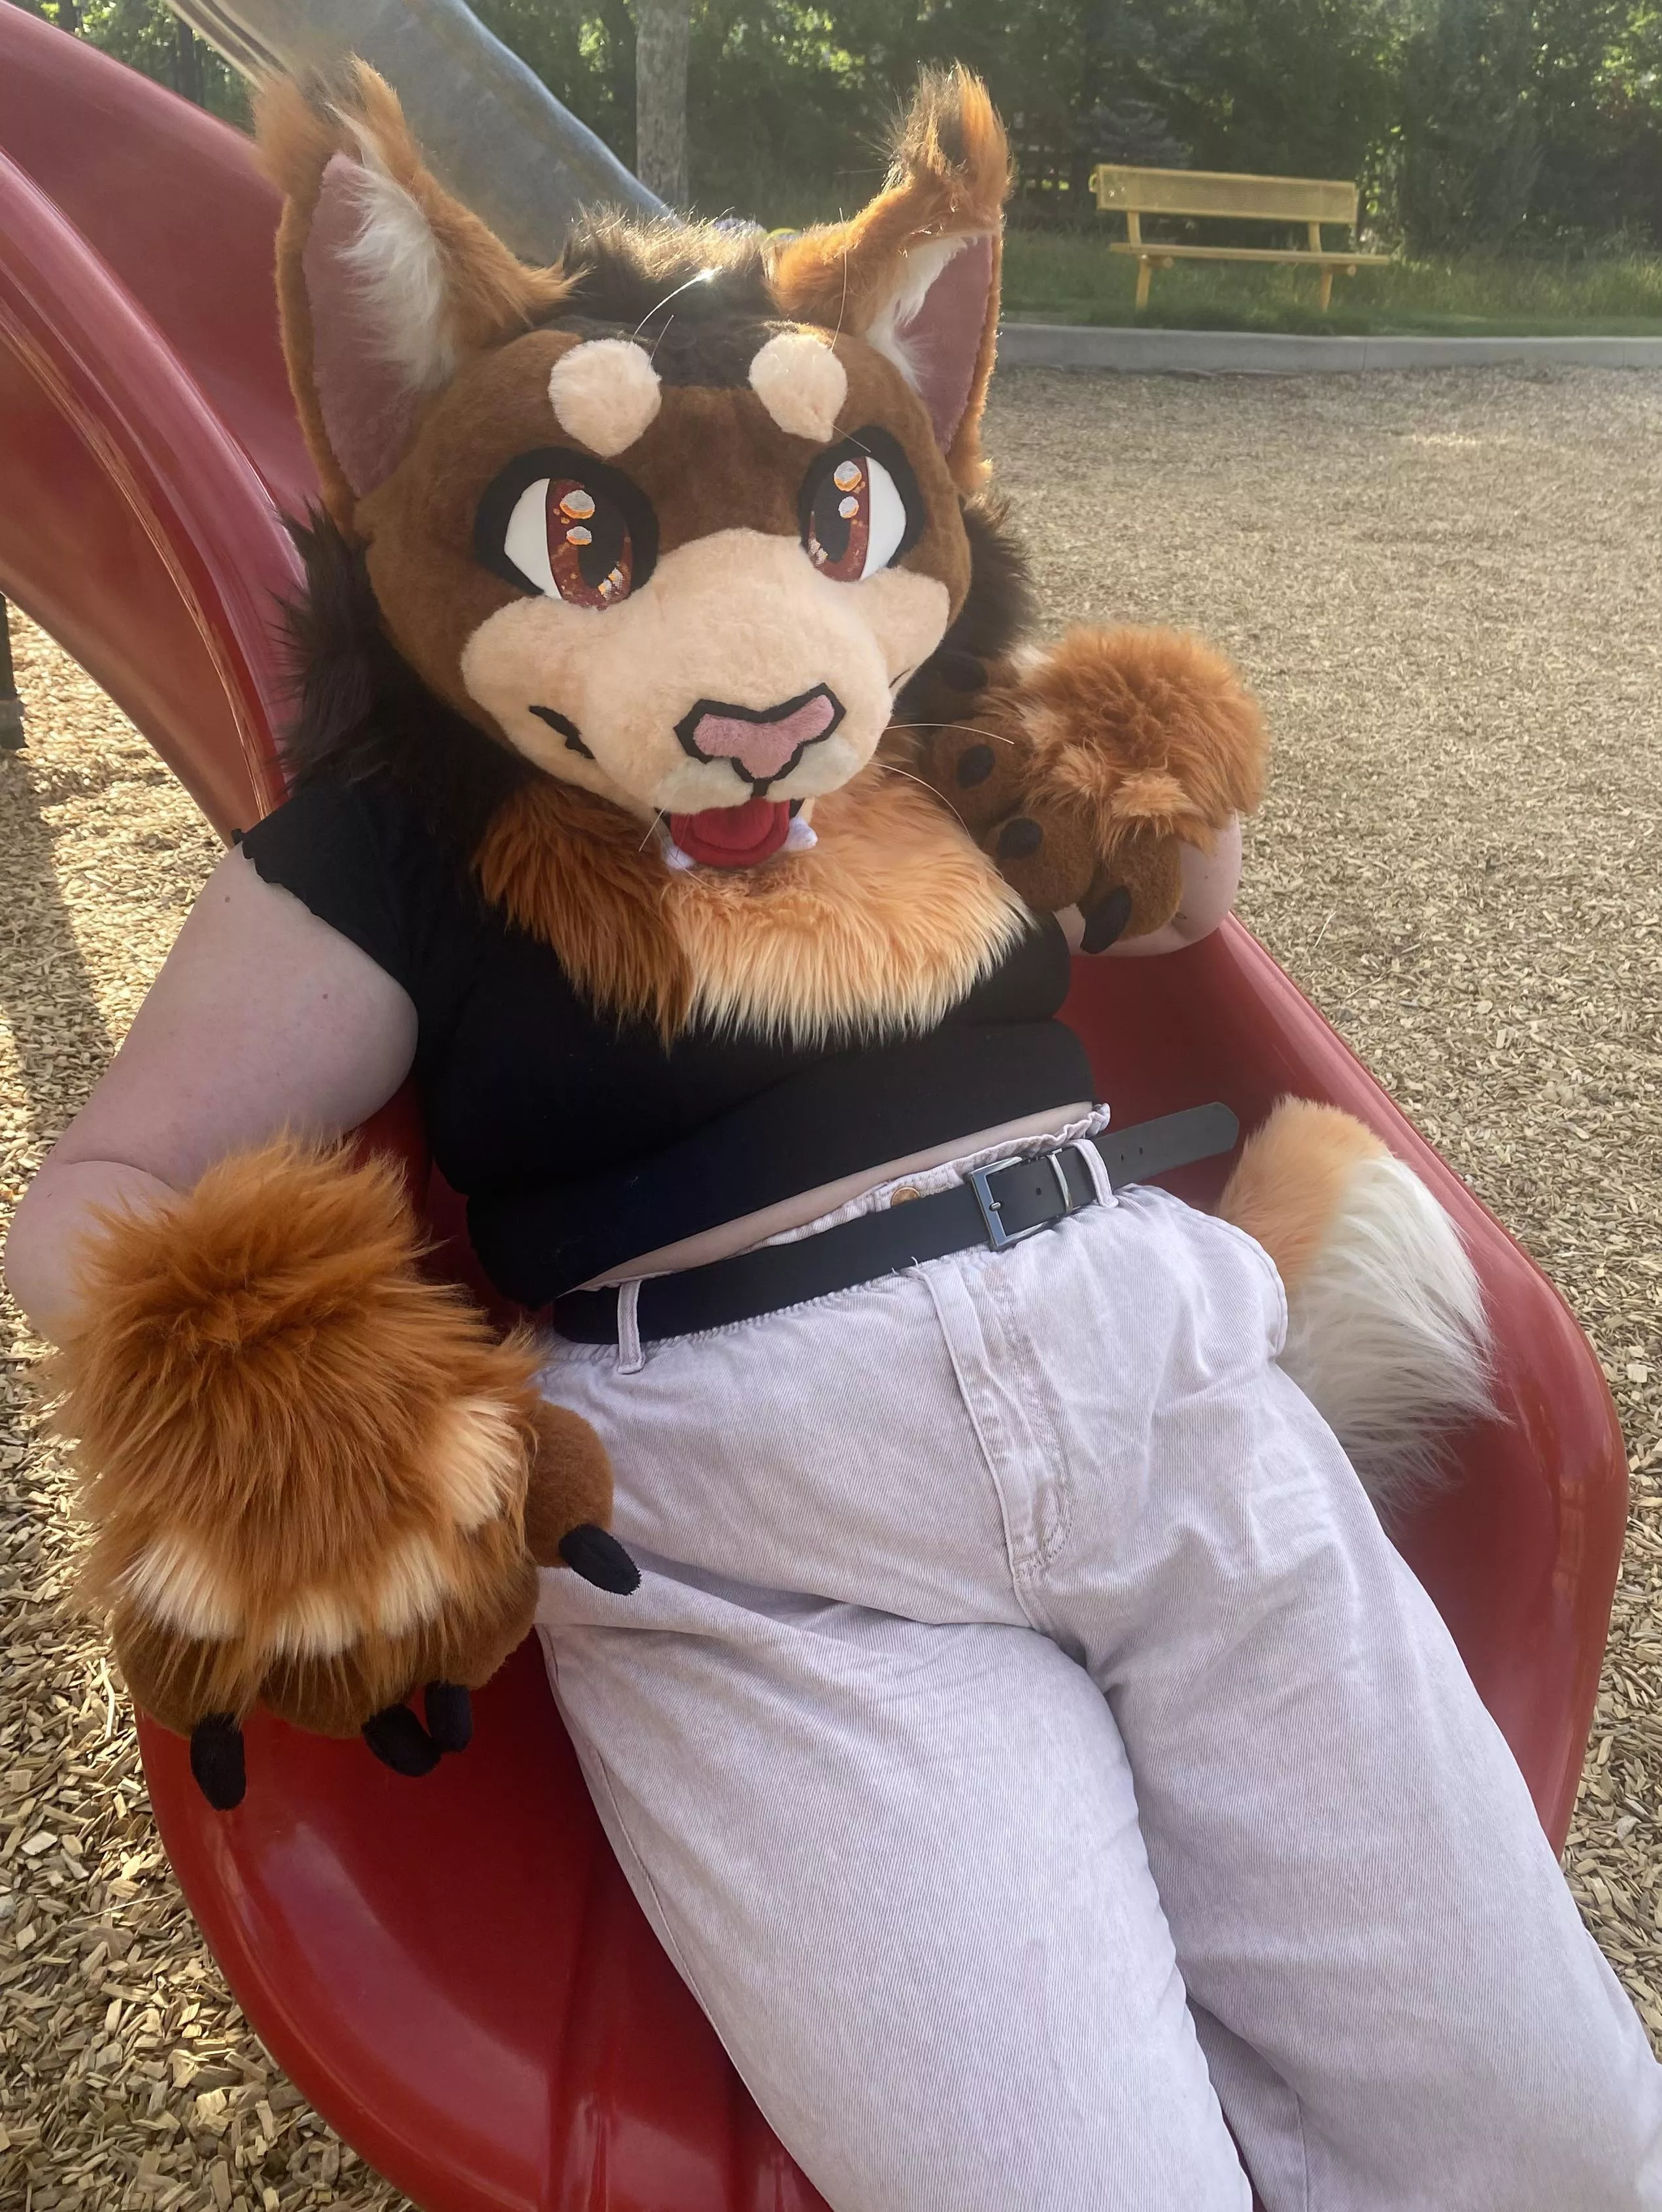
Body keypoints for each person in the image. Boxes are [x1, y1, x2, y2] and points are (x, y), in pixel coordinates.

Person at [8, 59, 1662, 2212]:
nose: (766, 671)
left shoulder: (921, 739)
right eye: (593, 546)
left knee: (1561, 2150)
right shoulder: (400, 834)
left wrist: (1150, 757)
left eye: (832, 528)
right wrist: (279, 1395)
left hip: (1165, 1410)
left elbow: (1180, 906)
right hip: (771, 1543)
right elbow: (105, 1188)